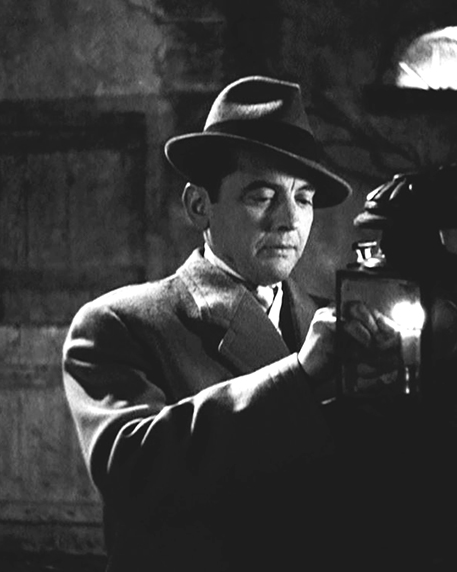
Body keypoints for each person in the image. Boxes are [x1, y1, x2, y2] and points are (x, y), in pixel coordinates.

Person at [62, 76, 400, 571]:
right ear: (200, 206)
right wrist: (299, 377)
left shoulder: (332, 325)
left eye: (304, 198)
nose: (289, 220)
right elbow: (135, 472)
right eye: (262, 196)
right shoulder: (118, 323)